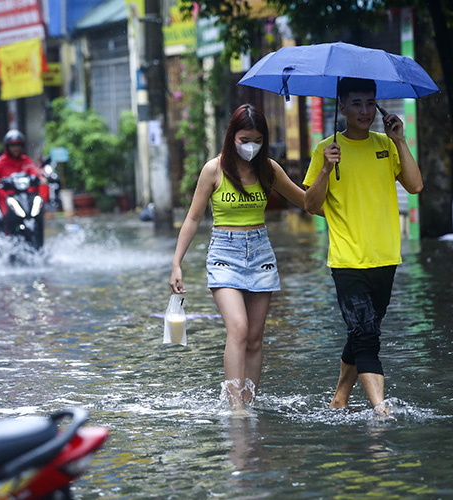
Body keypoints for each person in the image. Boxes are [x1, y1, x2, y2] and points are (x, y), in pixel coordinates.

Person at [169, 104, 307, 411]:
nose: (251, 147)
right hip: (224, 254)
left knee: (256, 337)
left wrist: (327, 173)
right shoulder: (213, 170)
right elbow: (192, 218)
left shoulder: (268, 169)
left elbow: (306, 200)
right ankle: (236, 410)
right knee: (239, 329)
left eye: (258, 140)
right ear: (232, 136)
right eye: (245, 139)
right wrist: (176, 263)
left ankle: (250, 402)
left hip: (260, 252)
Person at [303, 77, 424, 414]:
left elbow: (415, 186)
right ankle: (380, 410)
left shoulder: (385, 145)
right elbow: (311, 206)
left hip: (385, 257)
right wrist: (326, 168)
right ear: (340, 107)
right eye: (356, 103)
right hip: (347, 261)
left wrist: (400, 140)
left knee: (362, 333)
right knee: (367, 336)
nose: (365, 111)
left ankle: (339, 400)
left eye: (370, 103)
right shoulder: (325, 150)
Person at [0, 129, 43, 221]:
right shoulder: (1, 162)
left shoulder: (26, 160)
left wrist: (40, 178)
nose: (16, 148)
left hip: (27, 196)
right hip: (8, 196)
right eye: (12, 145)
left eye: (18, 145)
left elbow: (34, 172)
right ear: (7, 147)